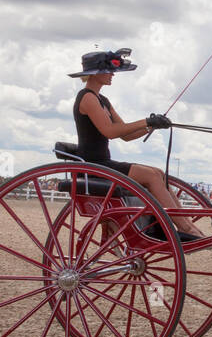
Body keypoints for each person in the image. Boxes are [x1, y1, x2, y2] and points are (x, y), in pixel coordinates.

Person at [68, 48, 204, 242]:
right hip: (93, 166)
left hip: (103, 164)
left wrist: (152, 126)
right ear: (96, 73)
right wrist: (145, 121)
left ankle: (187, 226)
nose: (113, 74)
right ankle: (184, 228)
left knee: (158, 173)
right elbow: (110, 132)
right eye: (109, 70)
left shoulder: (102, 100)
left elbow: (125, 134)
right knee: (150, 175)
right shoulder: (87, 97)